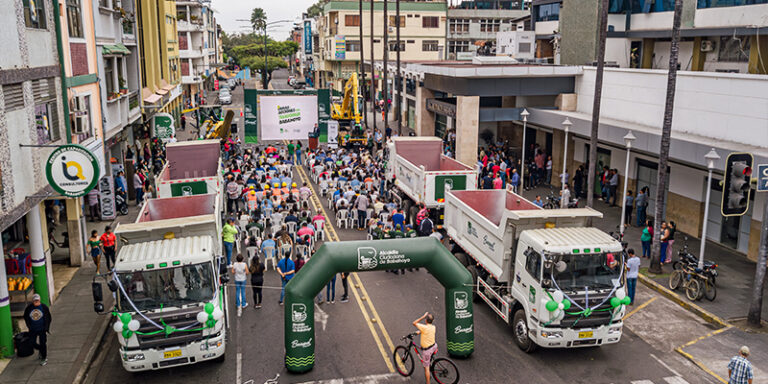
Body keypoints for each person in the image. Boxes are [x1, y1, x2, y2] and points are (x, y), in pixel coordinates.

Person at [24, 294, 51, 366]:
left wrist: (46, 328)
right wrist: (29, 326)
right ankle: (41, 350)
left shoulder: (44, 307)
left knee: (43, 343)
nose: (36, 302)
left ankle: (44, 357)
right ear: (32, 301)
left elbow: (48, 318)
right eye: (35, 301)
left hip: (42, 329)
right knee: (32, 343)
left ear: (40, 300)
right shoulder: (29, 308)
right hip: (33, 329)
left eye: (37, 300)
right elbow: (26, 317)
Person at [412, 312, 437, 384]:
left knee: (426, 368)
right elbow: (426, 331)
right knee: (427, 362)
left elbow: (414, 323)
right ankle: (429, 370)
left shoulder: (424, 327)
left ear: (426, 320)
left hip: (427, 350)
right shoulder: (433, 327)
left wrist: (423, 316)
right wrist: (419, 332)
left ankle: (428, 382)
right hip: (434, 346)